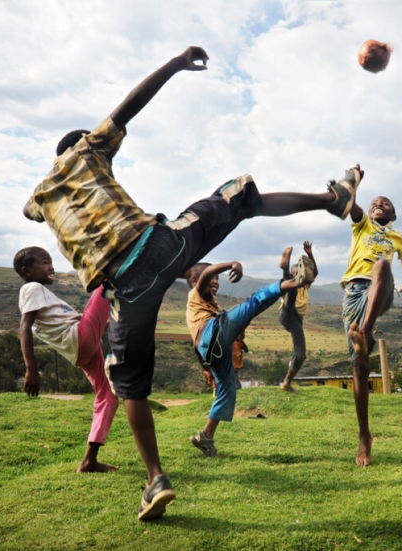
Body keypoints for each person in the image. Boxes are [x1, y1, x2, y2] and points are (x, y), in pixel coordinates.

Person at [22, 46, 361, 520]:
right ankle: (333, 199)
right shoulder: (88, 148)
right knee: (238, 197)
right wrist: (177, 63)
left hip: (121, 289)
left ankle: (155, 478)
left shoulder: (39, 195)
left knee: (131, 387)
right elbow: (129, 106)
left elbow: (31, 210)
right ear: (81, 144)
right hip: (157, 247)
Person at [186, 257, 314, 458]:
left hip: (211, 350)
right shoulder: (196, 293)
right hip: (213, 334)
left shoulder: (203, 307)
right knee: (255, 300)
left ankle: (206, 437)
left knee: (227, 392)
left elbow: (197, 343)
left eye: (218, 278)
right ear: (195, 281)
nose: (216, 282)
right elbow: (205, 276)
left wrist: (206, 367)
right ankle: (297, 281)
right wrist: (233, 264)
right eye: (213, 278)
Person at [14, 247, 119, 474]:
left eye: (50, 261)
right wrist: (31, 368)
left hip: (81, 353)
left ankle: (89, 460)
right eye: (44, 262)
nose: (51, 266)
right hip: (80, 339)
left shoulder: (40, 291)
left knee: (108, 395)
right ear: (27, 271)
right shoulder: (31, 288)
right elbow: (24, 327)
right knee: (107, 281)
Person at [341, 189, 402, 467]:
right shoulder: (361, 224)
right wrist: (353, 185)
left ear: (393, 215)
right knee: (359, 367)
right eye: (374, 202)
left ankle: (366, 331)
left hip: (380, 290)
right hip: (353, 292)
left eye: (384, 203)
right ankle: (364, 435)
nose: (377, 204)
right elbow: (351, 205)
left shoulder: (397, 236)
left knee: (383, 265)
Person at [278, 242, 318, 392]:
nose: (303, 275)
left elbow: (314, 274)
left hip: (296, 320)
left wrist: (310, 254)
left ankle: (286, 383)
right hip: (286, 313)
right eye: (299, 272)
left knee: (301, 354)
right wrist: (286, 271)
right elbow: (290, 282)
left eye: (303, 273)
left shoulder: (306, 284)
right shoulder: (287, 282)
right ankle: (284, 266)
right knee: (291, 288)